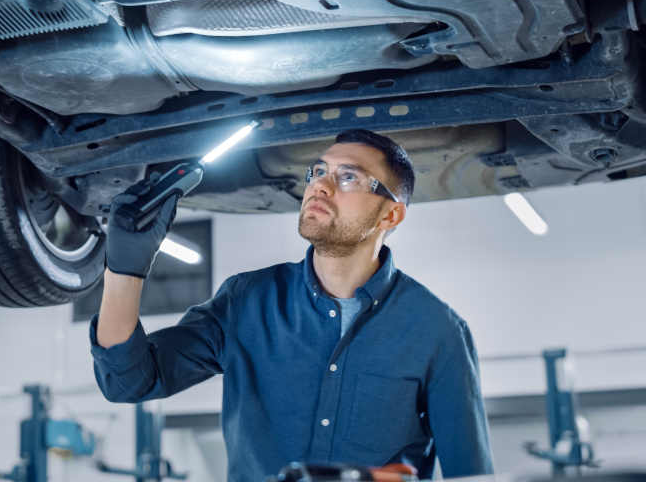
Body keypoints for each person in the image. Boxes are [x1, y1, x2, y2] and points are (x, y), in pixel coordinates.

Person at [90, 129, 493, 480]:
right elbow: (129, 381)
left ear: (390, 215)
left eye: (348, 177)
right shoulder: (246, 302)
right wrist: (125, 269)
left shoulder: (437, 331)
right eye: (318, 171)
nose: (321, 185)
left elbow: (471, 474)